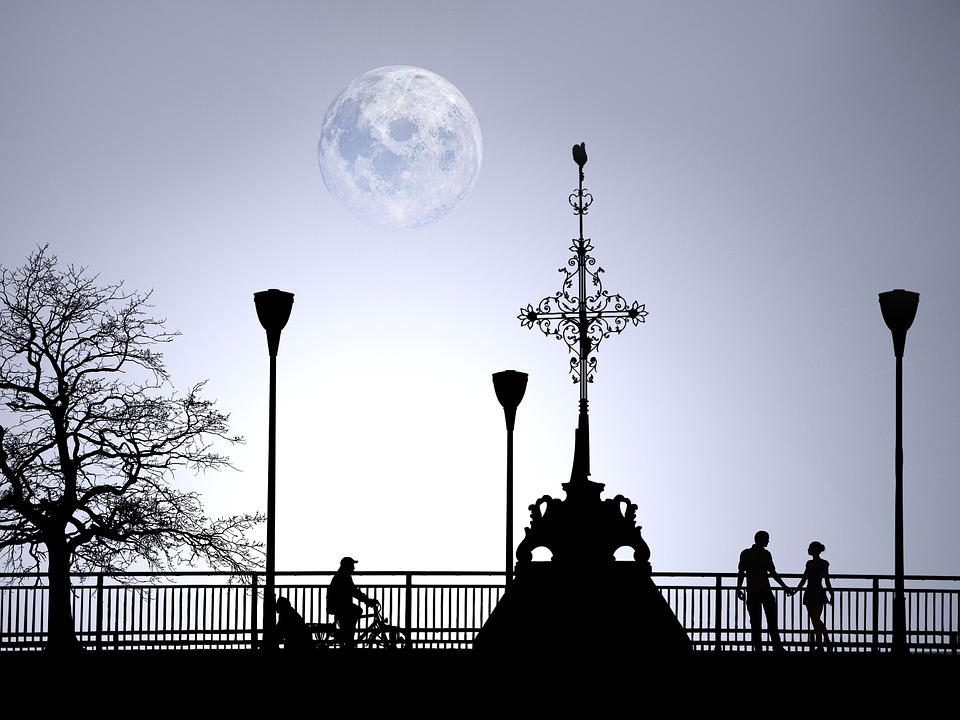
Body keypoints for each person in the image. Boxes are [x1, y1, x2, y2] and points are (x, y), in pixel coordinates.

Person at [736, 530, 791, 651]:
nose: (768, 541)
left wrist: (784, 586)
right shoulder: (748, 553)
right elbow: (742, 572)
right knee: (760, 622)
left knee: (766, 621)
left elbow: (772, 572)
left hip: (761, 590)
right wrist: (738, 588)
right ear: (759, 538)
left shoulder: (763, 554)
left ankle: (771, 647)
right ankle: (767, 647)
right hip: (757, 591)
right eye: (766, 538)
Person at [326, 556, 379, 648]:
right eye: (352, 566)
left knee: (353, 614)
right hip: (339, 605)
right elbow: (354, 591)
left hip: (337, 605)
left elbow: (354, 591)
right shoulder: (344, 577)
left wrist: (367, 600)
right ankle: (349, 636)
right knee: (357, 611)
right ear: (347, 566)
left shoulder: (342, 575)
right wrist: (367, 601)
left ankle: (347, 634)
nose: (354, 568)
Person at [793, 541, 833, 651]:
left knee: (815, 618)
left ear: (816, 549)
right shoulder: (809, 563)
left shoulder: (824, 563)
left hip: (817, 592)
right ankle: (820, 644)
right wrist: (796, 591)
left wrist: (831, 594)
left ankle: (826, 640)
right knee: (814, 620)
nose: (808, 549)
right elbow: (804, 578)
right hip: (810, 592)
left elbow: (827, 580)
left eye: (810, 547)